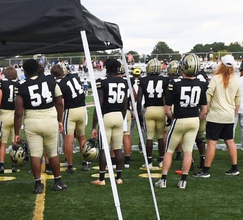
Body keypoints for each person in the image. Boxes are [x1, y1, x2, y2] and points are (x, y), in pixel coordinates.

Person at [13, 57, 67, 195]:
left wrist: (17, 133)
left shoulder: (22, 86)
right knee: (53, 153)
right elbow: (60, 102)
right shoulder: (50, 80)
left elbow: (19, 112)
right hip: (49, 118)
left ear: (24, 71)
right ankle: (58, 181)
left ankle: (38, 184)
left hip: (32, 120)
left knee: (36, 154)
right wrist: (60, 120)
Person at [158, 54, 206, 190]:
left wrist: (174, 118)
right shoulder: (202, 84)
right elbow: (204, 110)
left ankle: (163, 180)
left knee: (169, 151)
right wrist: (197, 118)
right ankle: (183, 181)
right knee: (188, 151)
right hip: (194, 120)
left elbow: (167, 109)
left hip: (179, 119)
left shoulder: (174, 84)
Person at [88, 58, 130, 186]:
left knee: (104, 149)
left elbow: (99, 104)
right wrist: (122, 117)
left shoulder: (102, 82)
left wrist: (94, 125)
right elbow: (125, 104)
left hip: (106, 116)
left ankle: (101, 179)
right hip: (119, 115)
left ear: (106, 68)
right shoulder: (123, 82)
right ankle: (119, 177)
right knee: (117, 148)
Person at [199, 56, 241, 177]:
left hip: (215, 116)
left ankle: (206, 170)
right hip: (228, 115)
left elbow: (208, 97)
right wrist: (233, 113)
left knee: (212, 143)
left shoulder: (216, 79)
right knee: (230, 141)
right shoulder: (236, 80)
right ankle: (234, 168)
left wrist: (204, 111)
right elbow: (238, 101)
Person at [54, 64, 89, 172]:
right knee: (82, 137)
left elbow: (61, 102)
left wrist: (59, 118)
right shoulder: (75, 76)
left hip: (70, 110)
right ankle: (85, 162)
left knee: (68, 139)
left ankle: (70, 165)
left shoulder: (59, 84)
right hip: (82, 108)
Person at [139, 59, 168, 167]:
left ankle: (149, 162)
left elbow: (139, 98)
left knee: (149, 137)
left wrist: (138, 113)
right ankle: (161, 160)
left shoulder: (143, 80)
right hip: (160, 109)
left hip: (149, 109)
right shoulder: (165, 80)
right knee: (160, 136)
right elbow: (167, 98)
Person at [0, 65, 18, 174]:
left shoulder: (2, 83)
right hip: (16, 116)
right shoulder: (18, 84)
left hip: (5, 115)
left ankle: (1, 164)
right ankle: (14, 164)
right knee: (14, 141)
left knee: (3, 143)